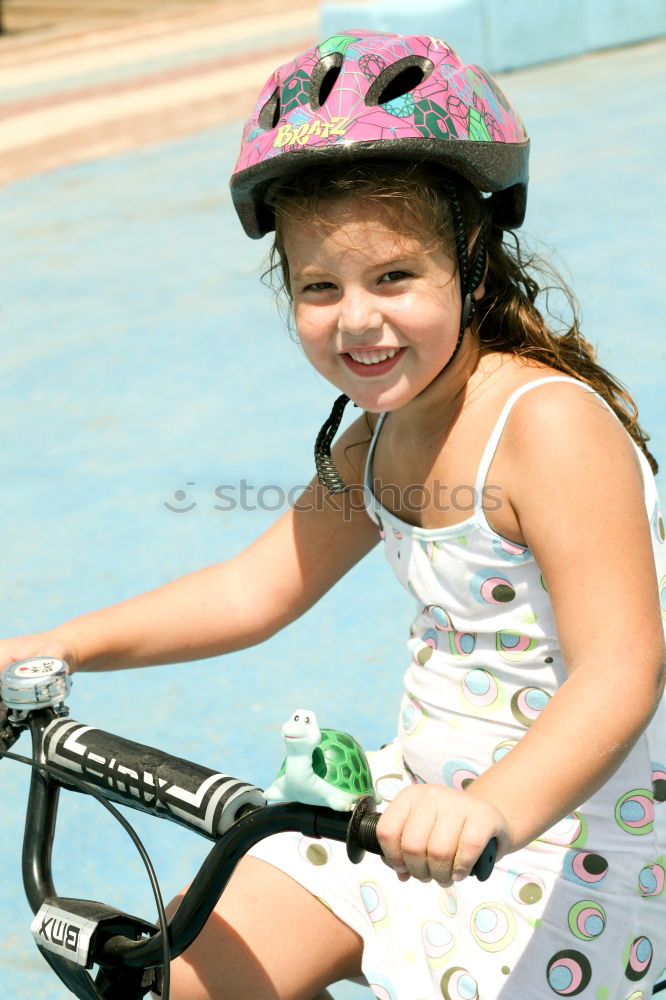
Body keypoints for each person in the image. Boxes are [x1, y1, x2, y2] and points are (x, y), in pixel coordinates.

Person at [2, 29, 665, 1000]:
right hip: (402, 813)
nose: (357, 320)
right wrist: (45, 647)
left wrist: (492, 809)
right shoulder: (377, 436)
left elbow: (622, 671)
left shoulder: (546, 425)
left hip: (574, 850)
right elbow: (254, 587)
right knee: (176, 980)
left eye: (393, 276)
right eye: (320, 287)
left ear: (474, 261)